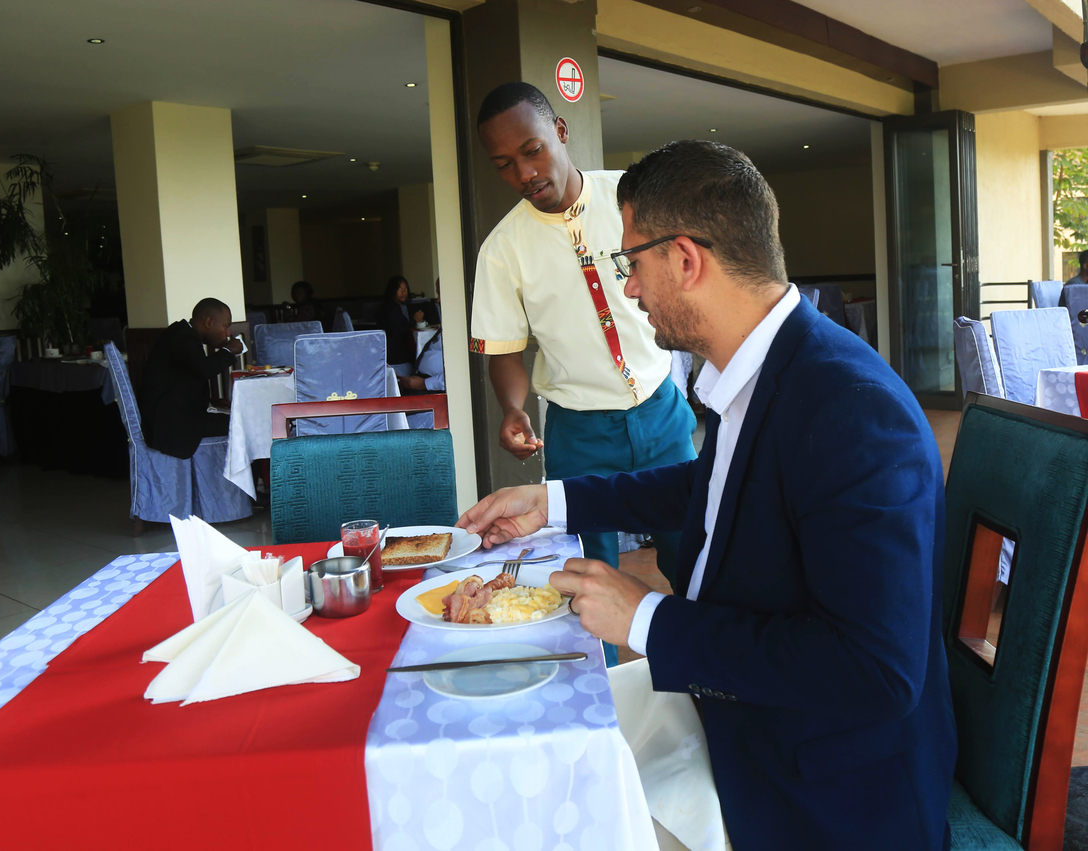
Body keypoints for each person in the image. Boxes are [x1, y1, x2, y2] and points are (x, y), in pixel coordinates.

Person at [458, 140, 956, 850]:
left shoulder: (853, 413)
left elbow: (875, 671)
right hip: (744, 712)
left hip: (823, 786)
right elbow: (714, 486)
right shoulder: (764, 367)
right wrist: (555, 503)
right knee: (534, 738)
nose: (627, 288)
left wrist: (649, 620)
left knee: (544, 808)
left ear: (685, 260)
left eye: (632, 263)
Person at [470, 82, 696, 664]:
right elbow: (505, 352)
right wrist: (514, 410)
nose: (524, 172)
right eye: (505, 165)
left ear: (560, 133)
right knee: (586, 573)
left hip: (660, 410)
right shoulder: (502, 250)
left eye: (533, 149)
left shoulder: (630, 196)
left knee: (692, 548)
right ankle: (603, 696)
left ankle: (710, 673)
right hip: (577, 429)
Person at [138, 297, 242, 459]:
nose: (228, 333)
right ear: (209, 322)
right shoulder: (183, 337)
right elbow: (204, 369)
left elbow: (182, 380)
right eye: (226, 326)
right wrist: (228, 351)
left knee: (234, 419)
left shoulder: (180, 332)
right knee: (243, 424)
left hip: (169, 417)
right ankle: (243, 482)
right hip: (171, 425)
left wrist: (210, 401)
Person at [377, 276, 424, 367]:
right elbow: (397, 330)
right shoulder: (391, 308)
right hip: (396, 356)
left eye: (406, 289)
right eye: (399, 289)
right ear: (392, 290)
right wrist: (414, 321)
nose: (404, 292)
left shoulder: (396, 306)